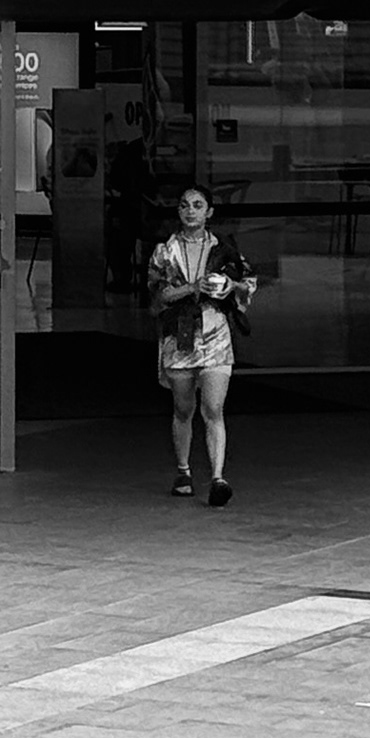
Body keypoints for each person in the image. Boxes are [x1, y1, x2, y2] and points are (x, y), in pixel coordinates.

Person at [149, 186, 257, 508]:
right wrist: (193, 287)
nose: (190, 211)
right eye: (185, 205)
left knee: (213, 408)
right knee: (183, 408)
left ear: (209, 211)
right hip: (180, 336)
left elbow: (249, 283)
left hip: (215, 334)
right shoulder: (165, 252)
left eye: (197, 205)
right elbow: (157, 297)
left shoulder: (224, 248)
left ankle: (218, 477)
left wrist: (230, 286)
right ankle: (183, 471)